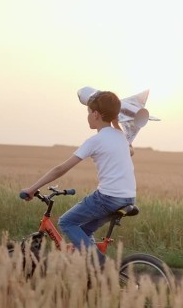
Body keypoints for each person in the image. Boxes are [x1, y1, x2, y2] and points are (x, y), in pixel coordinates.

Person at [20, 90, 135, 264]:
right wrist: (116, 125)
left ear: (96, 114)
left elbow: (61, 169)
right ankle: (88, 271)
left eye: (88, 113)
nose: (87, 117)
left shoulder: (95, 141)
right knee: (82, 231)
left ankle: (101, 268)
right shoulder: (120, 136)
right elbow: (131, 151)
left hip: (108, 198)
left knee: (66, 222)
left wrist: (32, 188)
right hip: (127, 197)